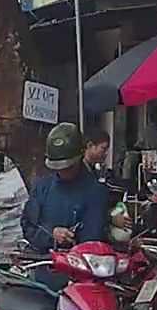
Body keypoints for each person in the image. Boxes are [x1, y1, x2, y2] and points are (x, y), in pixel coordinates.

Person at [21, 123, 110, 288]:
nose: (64, 172)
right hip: (44, 274)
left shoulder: (96, 192)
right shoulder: (42, 188)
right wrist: (51, 234)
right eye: (59, 168)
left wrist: (72, 242)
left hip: (80, 279)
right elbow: (28, 226)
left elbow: (94, 240)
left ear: (80, 155)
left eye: (68, 167)